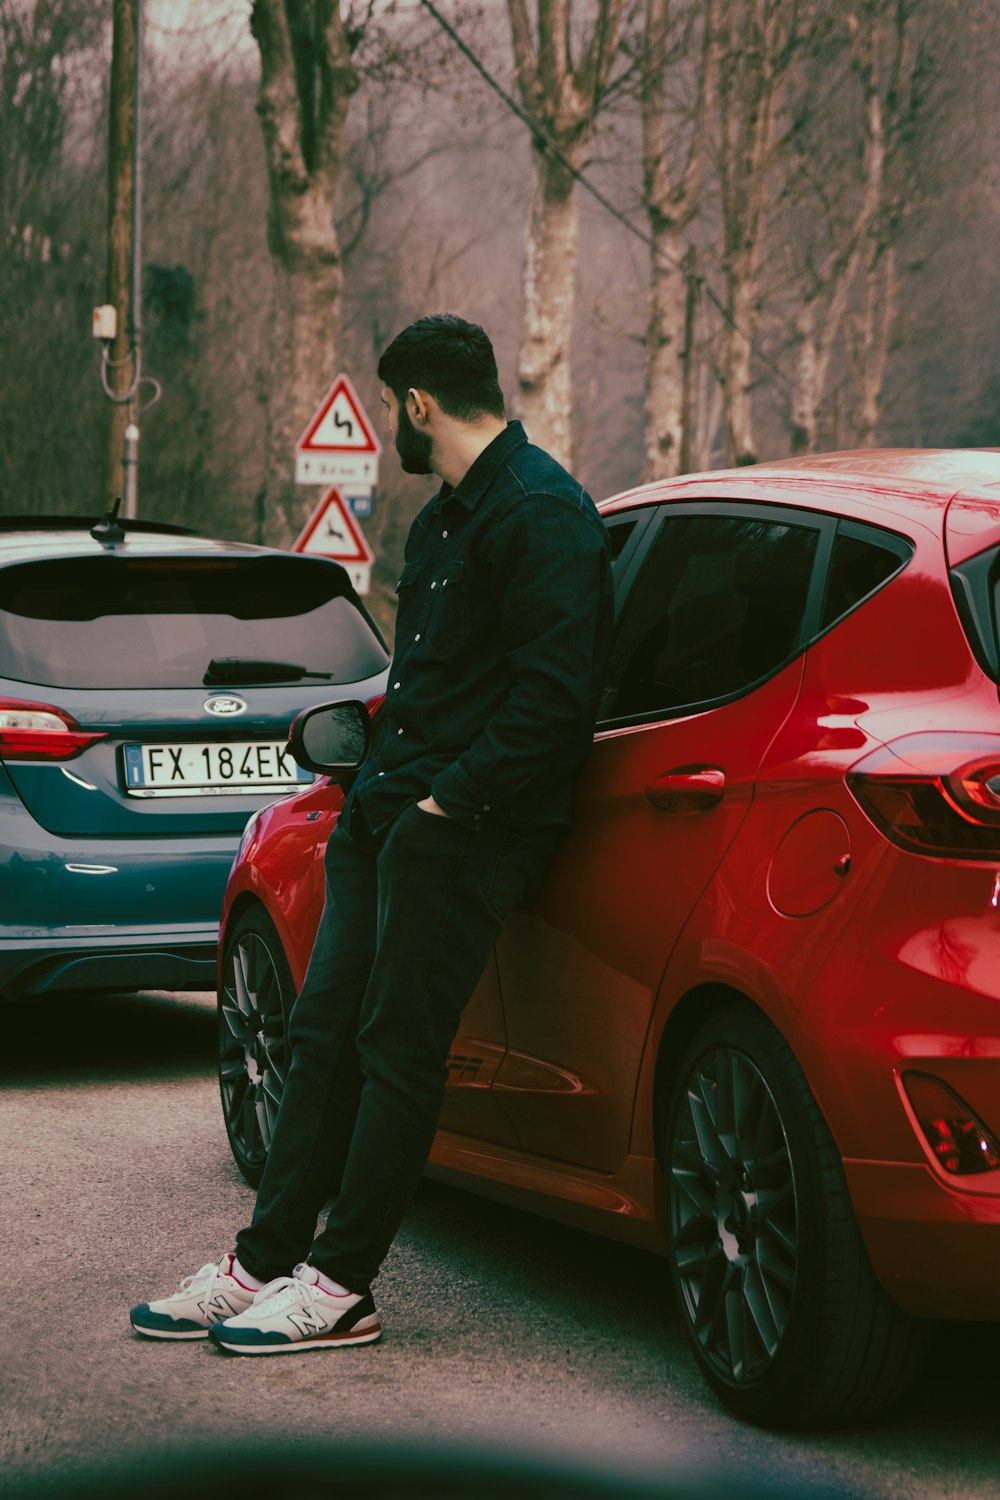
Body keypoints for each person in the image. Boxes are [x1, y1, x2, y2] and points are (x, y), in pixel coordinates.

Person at [130, 313, 614, 1354]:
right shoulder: (442, 523)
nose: (395, 427)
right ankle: (260, 1264)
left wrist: (446, 806)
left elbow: (554, 703)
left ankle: (341, 1284)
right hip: (384, 818)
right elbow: (432, 686)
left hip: (466, 831)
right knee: (321, 1036)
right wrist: (383, 800)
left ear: (417, 404)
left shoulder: (543, 515)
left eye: (395, 407)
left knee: (398, 1051)